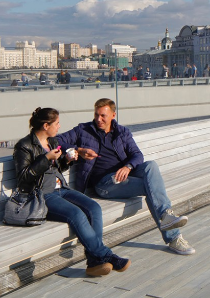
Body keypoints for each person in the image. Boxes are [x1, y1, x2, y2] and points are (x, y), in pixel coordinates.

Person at [56, 98, 195, 255]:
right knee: (152, 188)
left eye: (103, 116)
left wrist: (127, 167)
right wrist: (79, 150)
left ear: (113, 115)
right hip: (104, 184)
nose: (98, 119)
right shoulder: (83, 130)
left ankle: (166, 216)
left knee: (151, 166)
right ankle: (173, 235)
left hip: (124, 176)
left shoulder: (122, 132)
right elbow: (56, 141)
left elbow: (137, 155)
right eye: (96, 115)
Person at [13, 107, 128, 277]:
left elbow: (56, 169)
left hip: (62, 189)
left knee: (94, 208)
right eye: (57, 123)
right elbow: (23, 178)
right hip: (42, 195)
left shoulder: (51, 142)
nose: (59, 127)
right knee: (76, 213)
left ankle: (94, 261)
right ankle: (105, 255)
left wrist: (66, 160)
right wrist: (46, 159)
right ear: (46, 126)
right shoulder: (24, 146)